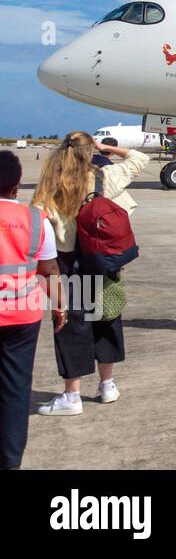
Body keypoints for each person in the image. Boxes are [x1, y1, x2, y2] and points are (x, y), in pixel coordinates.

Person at [32, 133, 148, 416]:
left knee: (71, 325)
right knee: (106, 317)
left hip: (69, 262)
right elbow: (140, 158)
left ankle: (72, 396)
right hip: (102, 260)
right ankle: (107, 384)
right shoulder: (105, 177)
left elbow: (37, 217)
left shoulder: (52, 184)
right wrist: (106, 147)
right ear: (90, 150)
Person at [0, 151, 65, 469]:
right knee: (15, 388)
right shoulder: (37, 220)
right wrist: (60, 306)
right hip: (22, 315)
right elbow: (50, 269)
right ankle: (10, 461)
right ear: (15, 186)